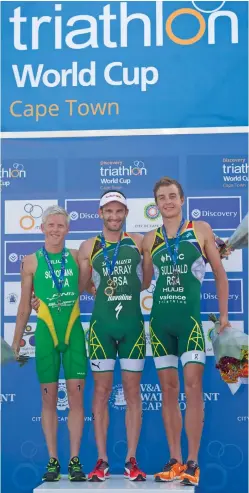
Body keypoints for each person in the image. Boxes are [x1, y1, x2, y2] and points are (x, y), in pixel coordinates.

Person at [142, 177, 230, 486]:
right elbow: (133, 278)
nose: (167, 201)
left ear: (182, 199)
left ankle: (193, 461)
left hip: (191, 323)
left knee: (192, 389)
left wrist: (223, 316)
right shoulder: (148, 238)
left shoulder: (201, 230)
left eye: (172, 196)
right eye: (161, 198)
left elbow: (220, 274)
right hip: (161, 323)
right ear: (156, 205)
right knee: (168, 391)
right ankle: (175, 460)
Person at [78, 190, 152, 482]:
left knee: (134, 394)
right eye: (108, 211)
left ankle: (131, 459)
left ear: (125, 213)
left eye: (118, 211)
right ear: (100, 213)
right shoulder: (87, 247)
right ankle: (102, 460)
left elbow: (146, 281)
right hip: (101, 329)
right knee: (101, 393)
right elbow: (83, 284)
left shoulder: (137, 241)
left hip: (132, 327)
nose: (114, 216)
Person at [12, 206, 87, 482]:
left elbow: (90, 287)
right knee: (49, 400)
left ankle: (75, 460)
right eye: (51, 225)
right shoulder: (30, 262)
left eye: (61, 226)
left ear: (68, 230)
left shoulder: (77, 257)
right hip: (45, 334)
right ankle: (53, 460)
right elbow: (23, 305)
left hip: (73, 333)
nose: (56, 230)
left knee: (77, 399)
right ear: (42, 228)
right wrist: (16, 342)